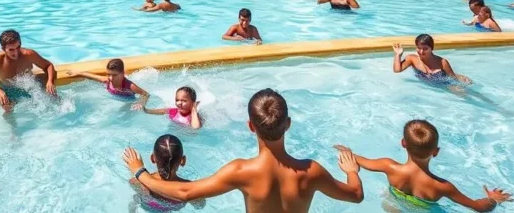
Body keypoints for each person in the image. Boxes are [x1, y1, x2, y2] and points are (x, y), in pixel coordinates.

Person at [123, 88, 364, 211]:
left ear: (250, 126)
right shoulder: (312, 171)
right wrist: (352, 170)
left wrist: (140, 172)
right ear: (288, 124)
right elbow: (356, 195)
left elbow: (186, 193)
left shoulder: (241, 171)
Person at [335, 120, 511, 211]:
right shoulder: (442, 186)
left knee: (390, 203)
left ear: (403, 143)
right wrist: (493, 199)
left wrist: (348, 152)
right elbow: (478, 207)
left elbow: (359, 161)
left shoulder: (388, 166)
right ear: (436, 152)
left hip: (392, 206)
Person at [0, 29, 57, 110]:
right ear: (3, 49)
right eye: (11, 50)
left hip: (30, 87)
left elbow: (48, 65)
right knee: (6, 106)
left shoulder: (28, 54)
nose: (16, 52)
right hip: (10, 90)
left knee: (53, 99)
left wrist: (50, 82)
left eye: (18, 47)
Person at [128, 135, 206, 211]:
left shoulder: (138, 182)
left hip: (145, 208)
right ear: (183, 161)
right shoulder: (188, 190)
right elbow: (200, 205)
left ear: (152, 158)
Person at [392, 34, 472, 84]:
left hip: (444, 84)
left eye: (425, 49)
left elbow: (453, 79)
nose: (421, 52)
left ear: (432, 48)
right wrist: (398, 55)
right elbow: (397, 70)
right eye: (419, 48)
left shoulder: (442, 62)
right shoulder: (412, 59)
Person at [69, 58, 149, 102]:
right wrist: (78, 73)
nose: (110, 78)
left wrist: (141, 103)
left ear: (122, 73)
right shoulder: (107, 81)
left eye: (114, 75)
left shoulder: (130, 86)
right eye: (108, 74)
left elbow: (146, 95)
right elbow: (91, 76)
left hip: (128, 101)